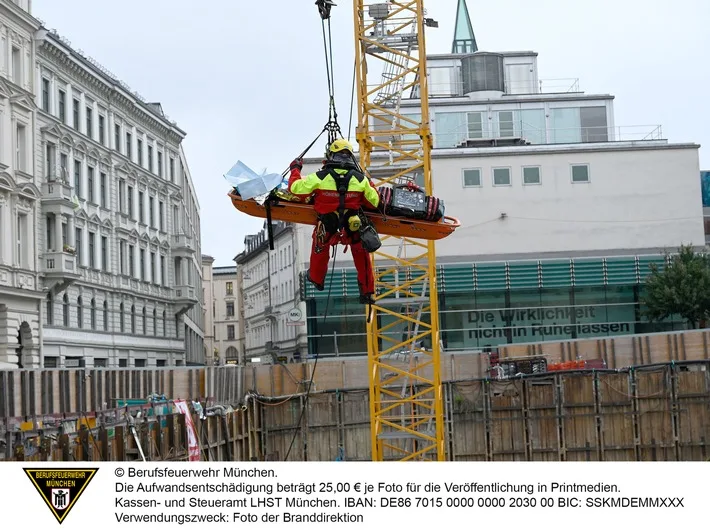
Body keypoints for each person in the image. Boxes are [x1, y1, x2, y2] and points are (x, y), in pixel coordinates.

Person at [288, 139, 380, 304]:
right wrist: (369, 182)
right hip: (352, 223)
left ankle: (317, 279)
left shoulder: (320, 176)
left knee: (320, 246)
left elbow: (295, 189)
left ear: (330, 155)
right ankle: (367, 291)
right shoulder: (360, 179)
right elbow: (374, 202)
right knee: (361, 254)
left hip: (327, 221)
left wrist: (295, 169)